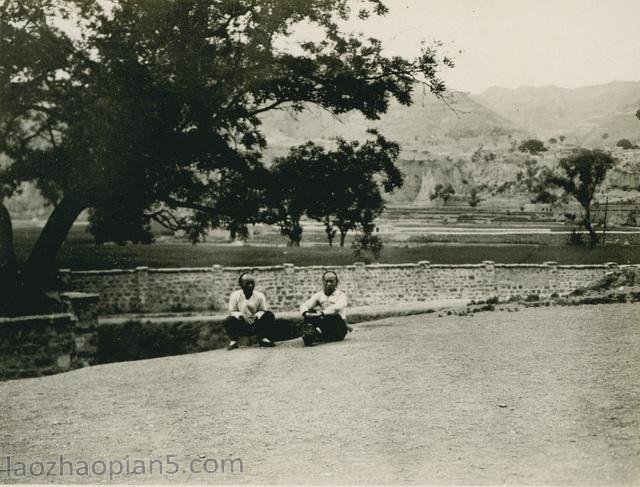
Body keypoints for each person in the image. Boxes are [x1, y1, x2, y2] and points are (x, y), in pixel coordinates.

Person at [224, 272, 277, 350]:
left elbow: (263, 310)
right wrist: (242, 315)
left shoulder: (259, 296)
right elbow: (232, 311)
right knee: (228, 320)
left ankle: (263, 338)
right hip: (242, 323)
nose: (250, 286)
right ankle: (234, 341)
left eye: (252, 283)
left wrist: (256, 316)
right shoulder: (235, 295)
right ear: (241, 284)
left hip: (256, 323)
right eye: (247, 283)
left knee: (269, 315)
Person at [299, 270, 351, 346]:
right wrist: (306, 313)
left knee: (333, 315)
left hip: (338, 326)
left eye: (331, 281)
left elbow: (336, 308)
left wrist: (321, 313)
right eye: (326, 281)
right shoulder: (319, 295)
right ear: (323, 282)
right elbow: (305, 305)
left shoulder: (341, 295)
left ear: (336, 283)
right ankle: (309, 336)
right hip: (326, 325)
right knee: (310, 311)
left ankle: (317, 335)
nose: (328, 284)